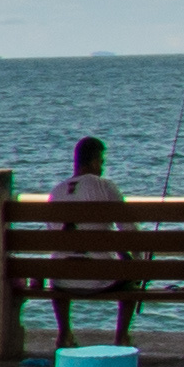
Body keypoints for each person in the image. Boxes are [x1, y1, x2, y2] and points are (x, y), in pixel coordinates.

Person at [41, 135, 141, 346]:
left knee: (59, 266)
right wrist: (136, 261)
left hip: (62, 280)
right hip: (101, 278)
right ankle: (121, 337)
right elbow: (130, 231)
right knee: (131, 277)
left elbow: (54, 235)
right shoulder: (105, 186)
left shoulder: (56, 191)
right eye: (101, 162)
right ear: (95, 161)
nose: (102, 167)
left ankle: (64, 333)